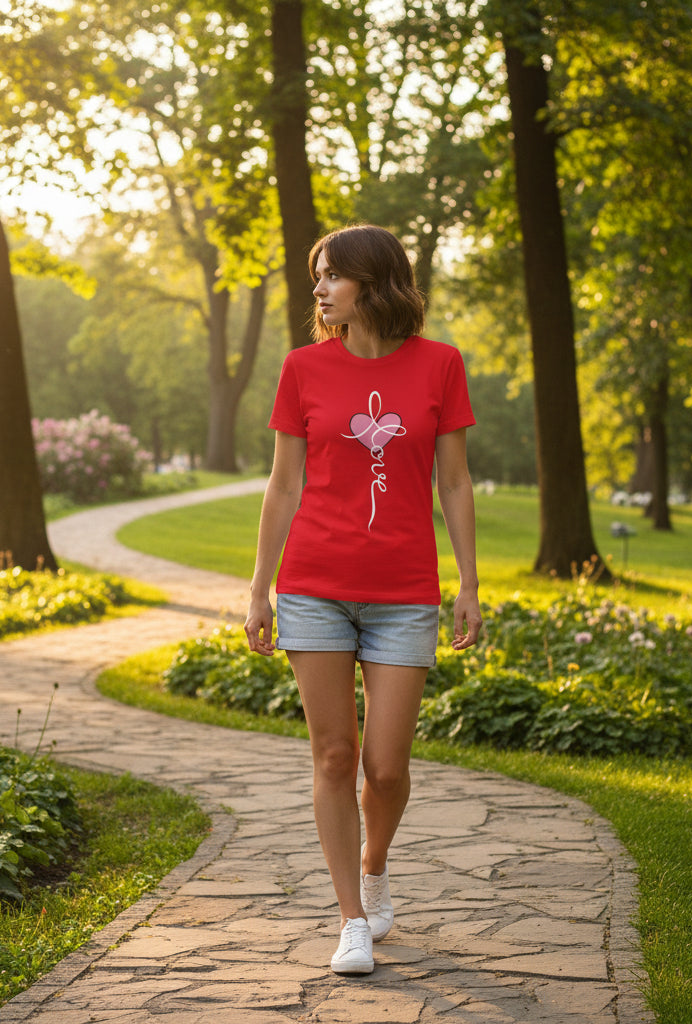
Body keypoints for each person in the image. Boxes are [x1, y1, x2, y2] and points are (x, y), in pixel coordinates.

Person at [244, 224, 482, 976]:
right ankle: (351, 918)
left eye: (331, 276)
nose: (318, 290)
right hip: (314, 585)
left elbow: (454, 482)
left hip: (404, 593)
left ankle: (376, 867)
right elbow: (283, 485)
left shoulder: (440, 365)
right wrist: (259, 587)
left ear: (373, 283)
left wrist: (468, 582)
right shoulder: (302, 368)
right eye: (317, 276)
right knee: (333, 755)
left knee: (385, 769)